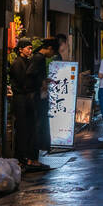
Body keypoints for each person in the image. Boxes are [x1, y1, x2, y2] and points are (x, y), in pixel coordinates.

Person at [29, 38, 57, 170]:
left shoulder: (38, 58)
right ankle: (33, 160)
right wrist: (42, 83)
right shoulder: (39, 58)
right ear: (50, 48)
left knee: (38, 127)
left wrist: (45, 80)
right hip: (37, 98)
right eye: (54, 52)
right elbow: (30, 74)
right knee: (37, 127)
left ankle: (34, 159)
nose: (53, 55)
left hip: (37, 97)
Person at [10, 39, 37, 168]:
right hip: (20, 99)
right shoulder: (17, 63)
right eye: (28, 48)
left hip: (26, 99)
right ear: (20, 49)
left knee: (27, 128)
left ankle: (25, 156)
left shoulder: (26, 61)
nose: (30, 51)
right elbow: (23, 82)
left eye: (31, 48)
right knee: (22, 128)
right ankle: (20, 157)